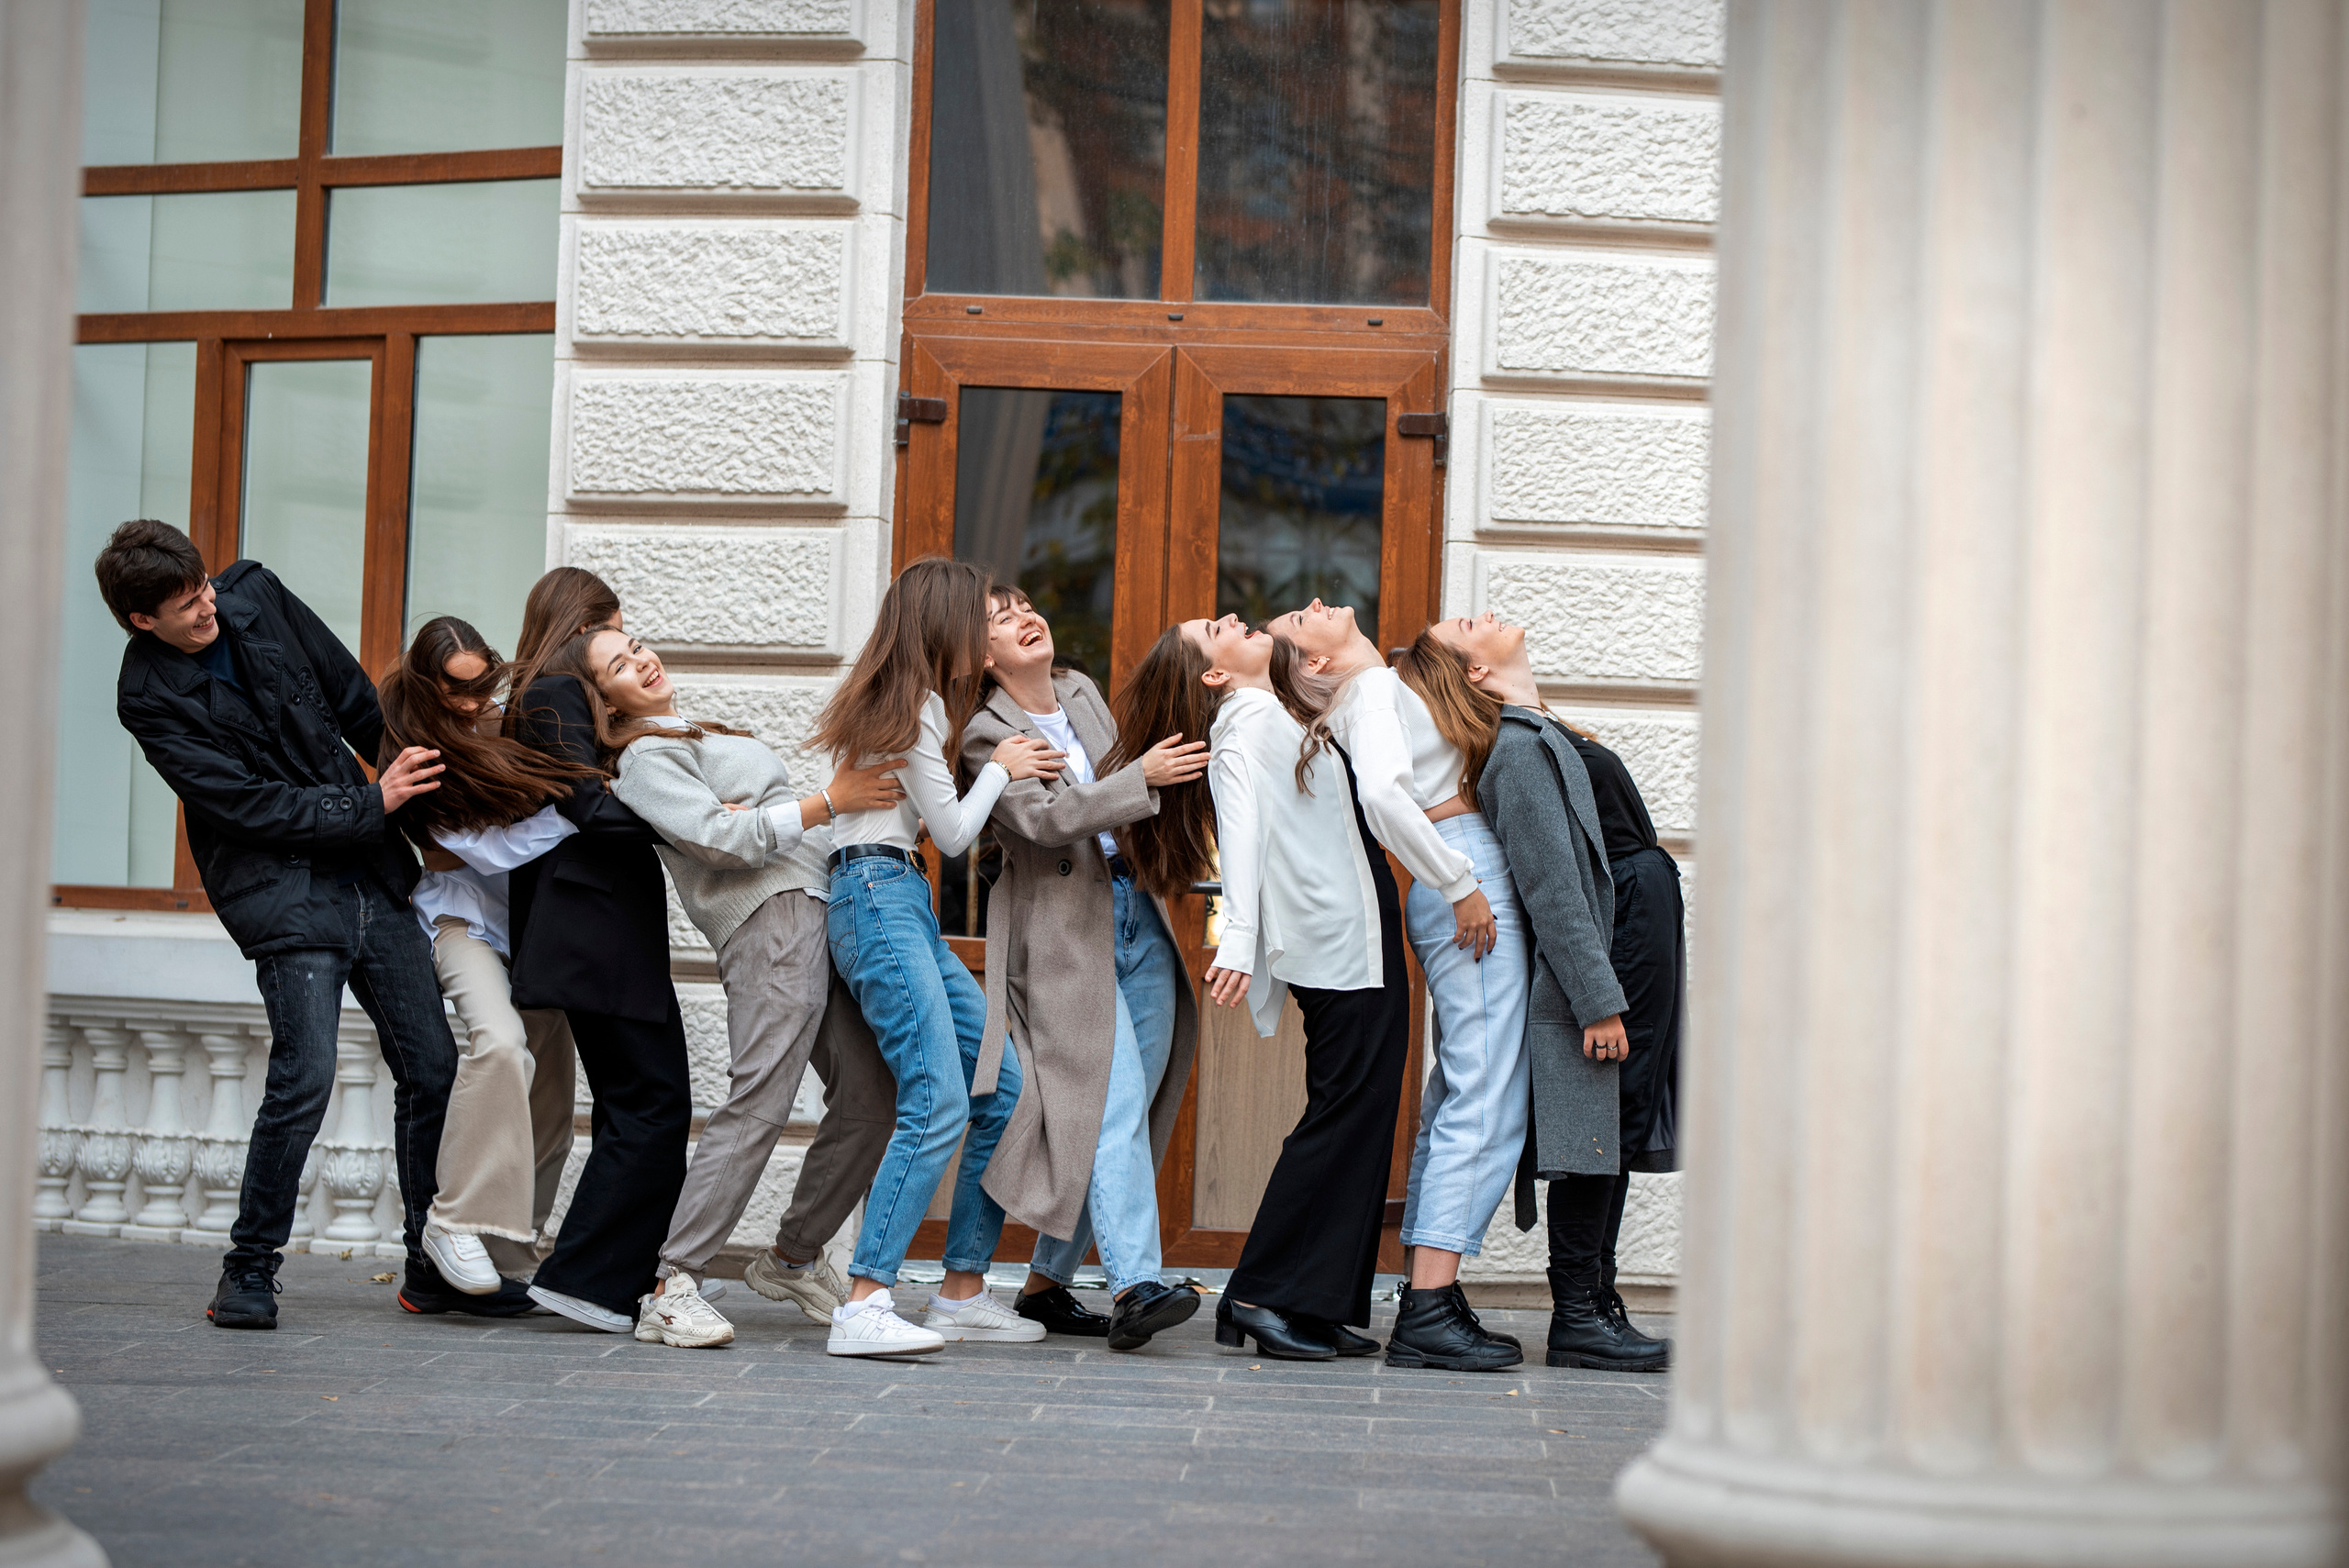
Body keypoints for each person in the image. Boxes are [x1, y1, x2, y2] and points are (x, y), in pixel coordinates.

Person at [97, 519, 518, 1329]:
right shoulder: (145, 697)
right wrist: (372, 803)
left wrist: (434, 807)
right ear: (140, 619)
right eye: (186, 606)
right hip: (283, 893)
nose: (207, 607)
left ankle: (428, 1266)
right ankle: (247, 1271)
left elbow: (357, 703)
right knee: (306, 1077)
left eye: (204, 588)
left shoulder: (255, 591)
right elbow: (242, 806)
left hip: (370, 867)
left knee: (432, 1068)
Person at [575, 627, 907, 1349]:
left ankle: (792, 1257)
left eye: (636, 646)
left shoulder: (691, 735)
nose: (642, 660)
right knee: (760, 1096)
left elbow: (748, 830)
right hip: (769, 921)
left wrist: (762, 819)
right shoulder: (643, 759)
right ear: (602, 701)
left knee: (871, 1095)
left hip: (818, 906)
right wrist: (822, 802)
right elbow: (723, 842)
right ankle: (674, 1283)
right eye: (619, 666)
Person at [1121, 617, 1397, 1362]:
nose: (1237, 619)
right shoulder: (1244, 723)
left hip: (1353, 925)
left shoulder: (1275, 707)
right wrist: (1236, 939)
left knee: (1361, 1114)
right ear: (1215, 675)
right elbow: (1240, 835)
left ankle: (1318, 1298)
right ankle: (1257, 1292)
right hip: (1336, 941)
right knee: (1342, 1115)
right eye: (1218, 629)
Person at [813, 558, 1064, 1357]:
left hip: (896, 902)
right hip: (878, 900)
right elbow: (955, 835)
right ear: (940, 623)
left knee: (1004, 1086)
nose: (981, 631)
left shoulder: (904, 702)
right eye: (974, 617)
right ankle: (865, 1299)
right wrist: (999, 769)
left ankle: (960, 1291)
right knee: (938, 1099)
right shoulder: (913, 705)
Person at [1271, 598, 1522, 1371]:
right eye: (1299, 617)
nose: (1316, 602)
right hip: (1458, 867)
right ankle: (1429, 1306)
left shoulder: (1370, 691)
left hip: (1451, 865)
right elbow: (1385, 797)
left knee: (1465, 1086)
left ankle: (1428, 1293)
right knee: (1486, 1092)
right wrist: (1459, 883)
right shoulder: (1373, 687)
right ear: (1315, 662)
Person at [1423, 612, 1673, 1372]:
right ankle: (1582, 1312)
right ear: (1474, 671)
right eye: (1466, 624)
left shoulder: (1539, 729)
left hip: (1637, 927)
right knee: (1600, 1120)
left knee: (1621, 1118)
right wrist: (1596, 998)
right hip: (1616, 937)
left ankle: (1597, 1300)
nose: (1483, 613)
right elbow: (1553, 886)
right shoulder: (1517, 751)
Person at [960, 588, 1208, 1351]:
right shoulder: (983, 735)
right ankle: (1137, 1283)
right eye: (1000, 618)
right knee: (1109, 1100)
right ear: (983, 655)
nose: (1024, 617)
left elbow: (1122, 785)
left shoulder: (1078, 691)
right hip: (1064, 937)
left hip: (1136, 912)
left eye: (1025, 604)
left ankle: (1042, 1288)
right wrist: (1143, 779)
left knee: (1129, 1104)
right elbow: (1043, 820)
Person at [377, 617, 593, 1301]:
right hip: (460, 919)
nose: (473, 703)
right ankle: (454, 1220)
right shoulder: (412, 749)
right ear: (426, 683)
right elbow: (488, 853)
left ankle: (506, 1250)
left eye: (482, 686)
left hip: (535, 926)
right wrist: (583, 809)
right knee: (500, 1046)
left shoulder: (513, 720)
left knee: (553, 1094)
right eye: (456, 691)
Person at [498, 570, 691, 1332]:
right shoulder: (554, 691)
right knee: (654, 1102)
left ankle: (601, 1280)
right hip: (594, 931)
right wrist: (690, 821)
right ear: (585, 623)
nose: (625, 641)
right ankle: (586, 1279)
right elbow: (587, 803)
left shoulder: (555, 693)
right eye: (615, 626)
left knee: (634, 1105)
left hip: (599, 930)